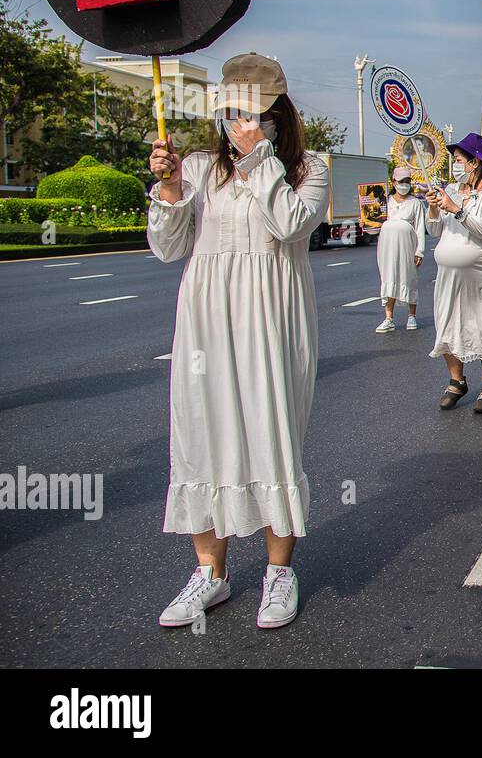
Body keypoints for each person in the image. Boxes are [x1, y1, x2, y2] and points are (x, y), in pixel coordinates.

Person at [147, 53, 327, 630]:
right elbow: (168, 248)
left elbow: (290, 225)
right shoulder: (199, 167)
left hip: (273, 319)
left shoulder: (308, 169)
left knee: (271, 434)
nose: (236, 121)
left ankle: (278, 572)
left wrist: (258, 161)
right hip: (205, 322)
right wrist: (171, 189)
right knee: (202, 435)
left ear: (276, 114)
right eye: (229, 110)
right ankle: (211, 573)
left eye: (250, 112)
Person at [428, 133, 482, 414]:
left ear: (475, 162)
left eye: (459, 159)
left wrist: (457, 209)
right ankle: (456, 381)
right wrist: (433, 208)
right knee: (449, 326)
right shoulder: (450, 189)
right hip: (450, 276)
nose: (455, 164)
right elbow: (434, 231)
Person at [374, 166, 426, 332]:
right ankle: (389, 318)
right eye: (401, 181)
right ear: (393, 182)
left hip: (407, 246)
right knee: (388, 277)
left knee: (409, 277)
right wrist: (367, 224)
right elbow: (375, 223)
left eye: (407, 181)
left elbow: (419, 228)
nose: (404, 185)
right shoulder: (384, 202)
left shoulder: (415, 203)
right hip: (387, 246)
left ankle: (412, 316)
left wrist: (419, 251)